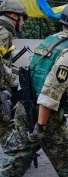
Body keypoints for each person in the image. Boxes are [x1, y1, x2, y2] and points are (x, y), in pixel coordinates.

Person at [0, 3, 68, 177]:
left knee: (15, 158)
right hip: (45, 115)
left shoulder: (51, 40)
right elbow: (50, 92)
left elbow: (32, 72)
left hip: (25, 105)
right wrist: (40, 126)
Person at [0, 0, 28, 148]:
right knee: (6, 130)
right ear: (12, 15)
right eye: (21, 18)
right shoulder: (3, 33)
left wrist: (15, 70)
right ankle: (14, 164)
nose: (22, 23)